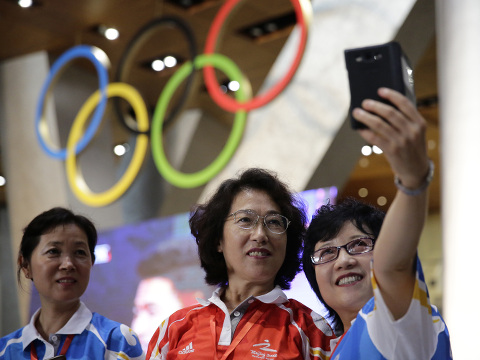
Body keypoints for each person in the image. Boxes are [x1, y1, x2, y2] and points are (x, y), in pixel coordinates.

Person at [302, 88, 452, 359]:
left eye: (359, 244)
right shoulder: (335, 347)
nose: (343, 260)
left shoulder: (397, 320)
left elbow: (392, 267)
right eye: (326, 252)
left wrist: (413, 180)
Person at [146, 168, 336, 359]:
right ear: (218, 240)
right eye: (245, 219)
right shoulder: (174, 328)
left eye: (274, 222)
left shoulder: (311, 330)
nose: (260, 235)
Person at [0, 207, 145, 360]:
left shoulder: (117, 341)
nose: (68, 264)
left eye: (80, 252)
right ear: (25, 265)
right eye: (53, 251)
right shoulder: (5, 351)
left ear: (91, 263)